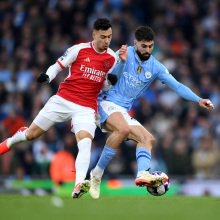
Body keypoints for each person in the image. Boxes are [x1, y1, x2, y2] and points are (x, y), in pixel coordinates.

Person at [89, 26, 215, 199]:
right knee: (123, 129)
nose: (147, 50)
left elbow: (176, 85)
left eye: (150, 46)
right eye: (144, 46)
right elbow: (110, 79)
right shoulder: (125, 52)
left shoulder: (155, 66)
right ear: (136, 43)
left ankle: (142, 173)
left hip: (122, 111)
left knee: (148, 139)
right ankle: (97, 174)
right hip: (104, 101)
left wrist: (198, 99)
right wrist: (122, 61)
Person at [0, 18, 118, 199]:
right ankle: (9, 143)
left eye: (109, 37)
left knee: (85, 142)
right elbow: (58, 66)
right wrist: (47, 77)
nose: (107, 41)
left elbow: (104, 87)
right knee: (31, 135)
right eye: (103, 37)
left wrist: (109, 82)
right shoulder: (78, 49)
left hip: (86, 107)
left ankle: (79, 184)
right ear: (94, 35)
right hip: (63, 99)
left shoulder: (112, 58)